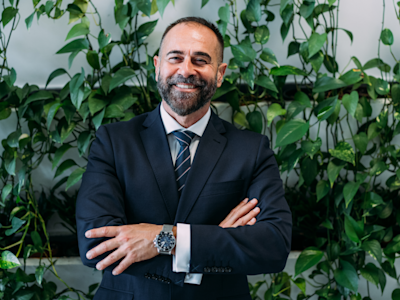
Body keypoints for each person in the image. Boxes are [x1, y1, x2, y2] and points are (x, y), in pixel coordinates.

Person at [76, 17, 292, 300]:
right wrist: (213, 241)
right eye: (175, 57)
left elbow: (272, 246)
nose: (186, 70)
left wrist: (165, 240)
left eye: (201, 60)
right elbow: (97, 246)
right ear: (157, 67)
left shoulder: (252, 150)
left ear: (220, 73)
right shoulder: (113, 142)